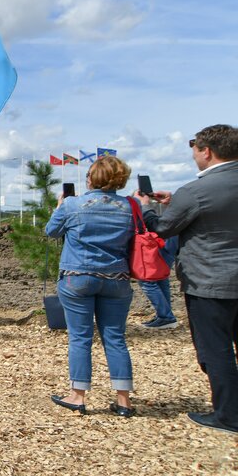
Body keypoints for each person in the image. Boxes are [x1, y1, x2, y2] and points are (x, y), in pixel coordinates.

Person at [139, 125, 238, 435]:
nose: (194, 156)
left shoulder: (195, 191)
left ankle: (228, 415)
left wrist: (147, 209)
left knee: (216, 349)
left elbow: (164, 228)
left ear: (206, 151)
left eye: (195, 150)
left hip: (211, 282)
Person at [45, 155, 137, 417]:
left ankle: (78, 395)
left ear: (91, 178)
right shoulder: (130, 207)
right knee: (115, 338)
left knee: (80, 337)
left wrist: (59, 207)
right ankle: (123, 401)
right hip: (117, 278)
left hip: (78, 276)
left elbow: (51, 232)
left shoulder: (73, 205)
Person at [137, 236, 179, 331]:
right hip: (168, 238)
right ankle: (164, 316)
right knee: (161, 278)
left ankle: (166, 317)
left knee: (147, 280)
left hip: (164, 238)